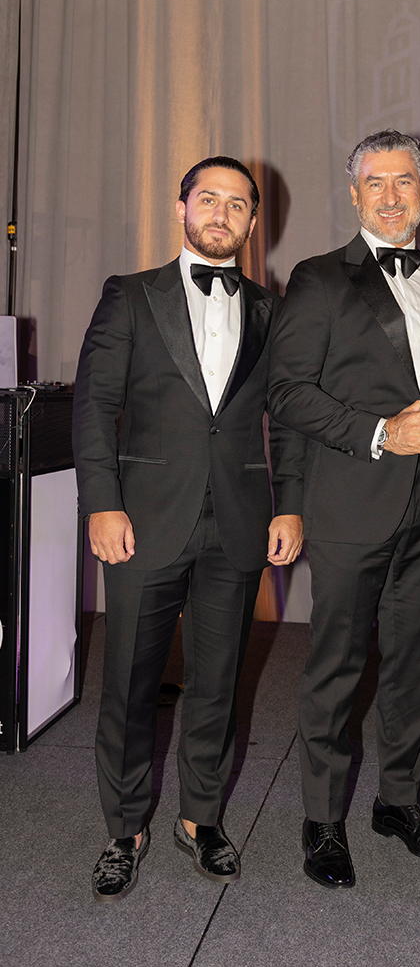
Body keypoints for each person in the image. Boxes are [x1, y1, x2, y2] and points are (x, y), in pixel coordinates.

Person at [72, 156, 305, 903]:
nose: (223, 213)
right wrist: (101, 503)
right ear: (181, 209)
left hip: (237, 525)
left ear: (252, 221)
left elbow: (290, 420)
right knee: (130, 687)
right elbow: (93, 404)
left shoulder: (271, 312)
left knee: (216, 686)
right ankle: (124, 826)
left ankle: (200, 819)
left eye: (239, 204)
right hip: (141, 520)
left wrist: (289, 503)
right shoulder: (131, 295)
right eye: (210, 198)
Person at [267, 129, 420, 888]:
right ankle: (322, 821)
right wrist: (384, 433)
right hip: (351, 503)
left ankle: (399, 803)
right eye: (375, 183)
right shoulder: (319, 279)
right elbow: (286, 395)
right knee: (335, 669)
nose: (391, 196)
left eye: (405, 182)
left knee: (416, 667)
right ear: (355, 195)